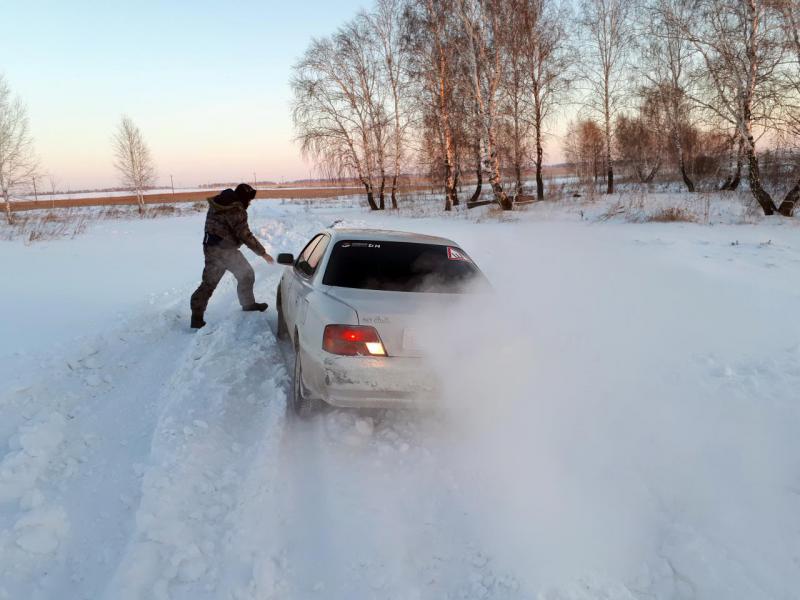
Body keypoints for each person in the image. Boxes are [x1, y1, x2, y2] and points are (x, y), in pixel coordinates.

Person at [190, 183, 274, 329]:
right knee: (246, 274)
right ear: (244, 198)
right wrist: (263, 253)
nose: (249, 203)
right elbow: (244, 235)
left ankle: (196, 318)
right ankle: (248, 305)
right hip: (225, 251)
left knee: (209, 283)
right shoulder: (235, 209)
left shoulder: (220, 202)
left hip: (211, 247)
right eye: (249, 199)